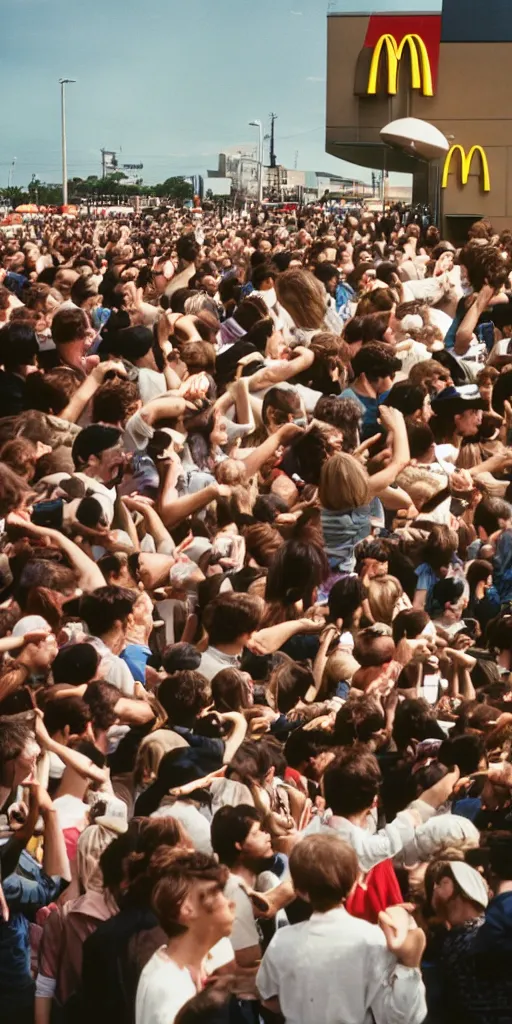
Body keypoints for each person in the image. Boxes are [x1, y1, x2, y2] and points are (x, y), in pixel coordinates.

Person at [256, 833, 427, 1024]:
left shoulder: (282, 940)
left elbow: (268, 998)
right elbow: (401, 1017)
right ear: (354, 884)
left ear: (299, 891)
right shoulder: (373, 939)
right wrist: (410, 966)